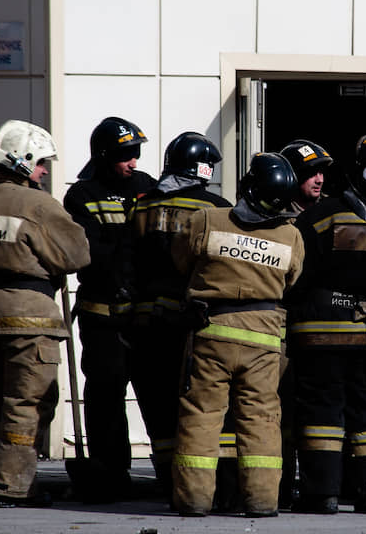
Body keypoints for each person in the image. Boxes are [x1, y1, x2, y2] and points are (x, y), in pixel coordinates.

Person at [0, 120, 90, 507]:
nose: (45, 171)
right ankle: (13, 486)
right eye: (41, 164)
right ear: (22, 161)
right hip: (30, 313)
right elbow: (77, 255)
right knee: (26, 403)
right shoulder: (38, 204)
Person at [170, 152, 305, 518]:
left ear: (248, 185)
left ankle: (194, 500)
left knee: (201, 416)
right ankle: (262, 502)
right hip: (264, 339)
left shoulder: (206, 220)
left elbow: (181, 261)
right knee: (261, 419)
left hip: (210, 333)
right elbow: (291, 280)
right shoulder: (291, 234)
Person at [288, 135, 366, 515]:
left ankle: (321, 494)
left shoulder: (321, 217)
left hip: (321, 335)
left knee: (323, 412)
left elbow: (296, 276)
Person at [131, 131, 232, 494]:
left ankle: (163, 477)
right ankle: (191, 482)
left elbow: (128, 263)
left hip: (143, 322)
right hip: (187, 322)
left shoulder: (141, 205)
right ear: (203, 168)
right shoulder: (214, 208)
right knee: (192, 403)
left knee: (156, 404)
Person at [62, 117, 156, 501]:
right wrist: (128, 254)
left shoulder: (148, 187)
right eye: (124, 156)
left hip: (147, 317)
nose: (133, 162)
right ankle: (110, 473)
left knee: (156, 395)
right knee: (105, 397)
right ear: (103, 156)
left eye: (136, 154)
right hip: (102, 317)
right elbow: (89, 253)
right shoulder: (82, 195)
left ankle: (169, 472)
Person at [276, 138, 334, 508]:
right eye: (310, 173)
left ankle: (316, 485)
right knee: (278, 411)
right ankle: (277, 486)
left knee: (315, 412)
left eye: (321, 173)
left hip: (316, 330)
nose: (318, 179)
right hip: (278, 329)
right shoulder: (272, 214)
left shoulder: (330, 215)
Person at [280, 139, 332, 214]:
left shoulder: (332, 208)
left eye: (321, 172)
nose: (320, 180)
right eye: (312, 173)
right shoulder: (278, 216)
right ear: (294, 176)